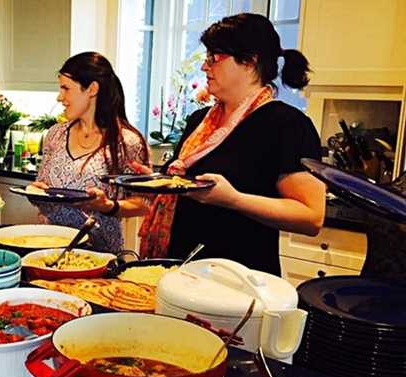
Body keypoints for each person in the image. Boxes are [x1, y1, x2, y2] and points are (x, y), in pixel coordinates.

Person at [88, 13, 325, 275]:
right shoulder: (200, 121)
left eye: (214, 58)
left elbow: (311, 216)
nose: (204, 66)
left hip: (239, 278)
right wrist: (160, 183)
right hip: (180, 270)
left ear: (249, 61)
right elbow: (187, 187)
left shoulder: (286, 124)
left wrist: (234, 200)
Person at [33, 52, 150, 253]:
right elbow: (42, 185)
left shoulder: (127, 142)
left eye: (66, 88)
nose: (60, 97)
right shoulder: (55, 134)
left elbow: (143, 203)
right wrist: (37, 192)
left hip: (98, 253)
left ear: (92, 89)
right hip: (50, 246)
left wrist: (108, 206)